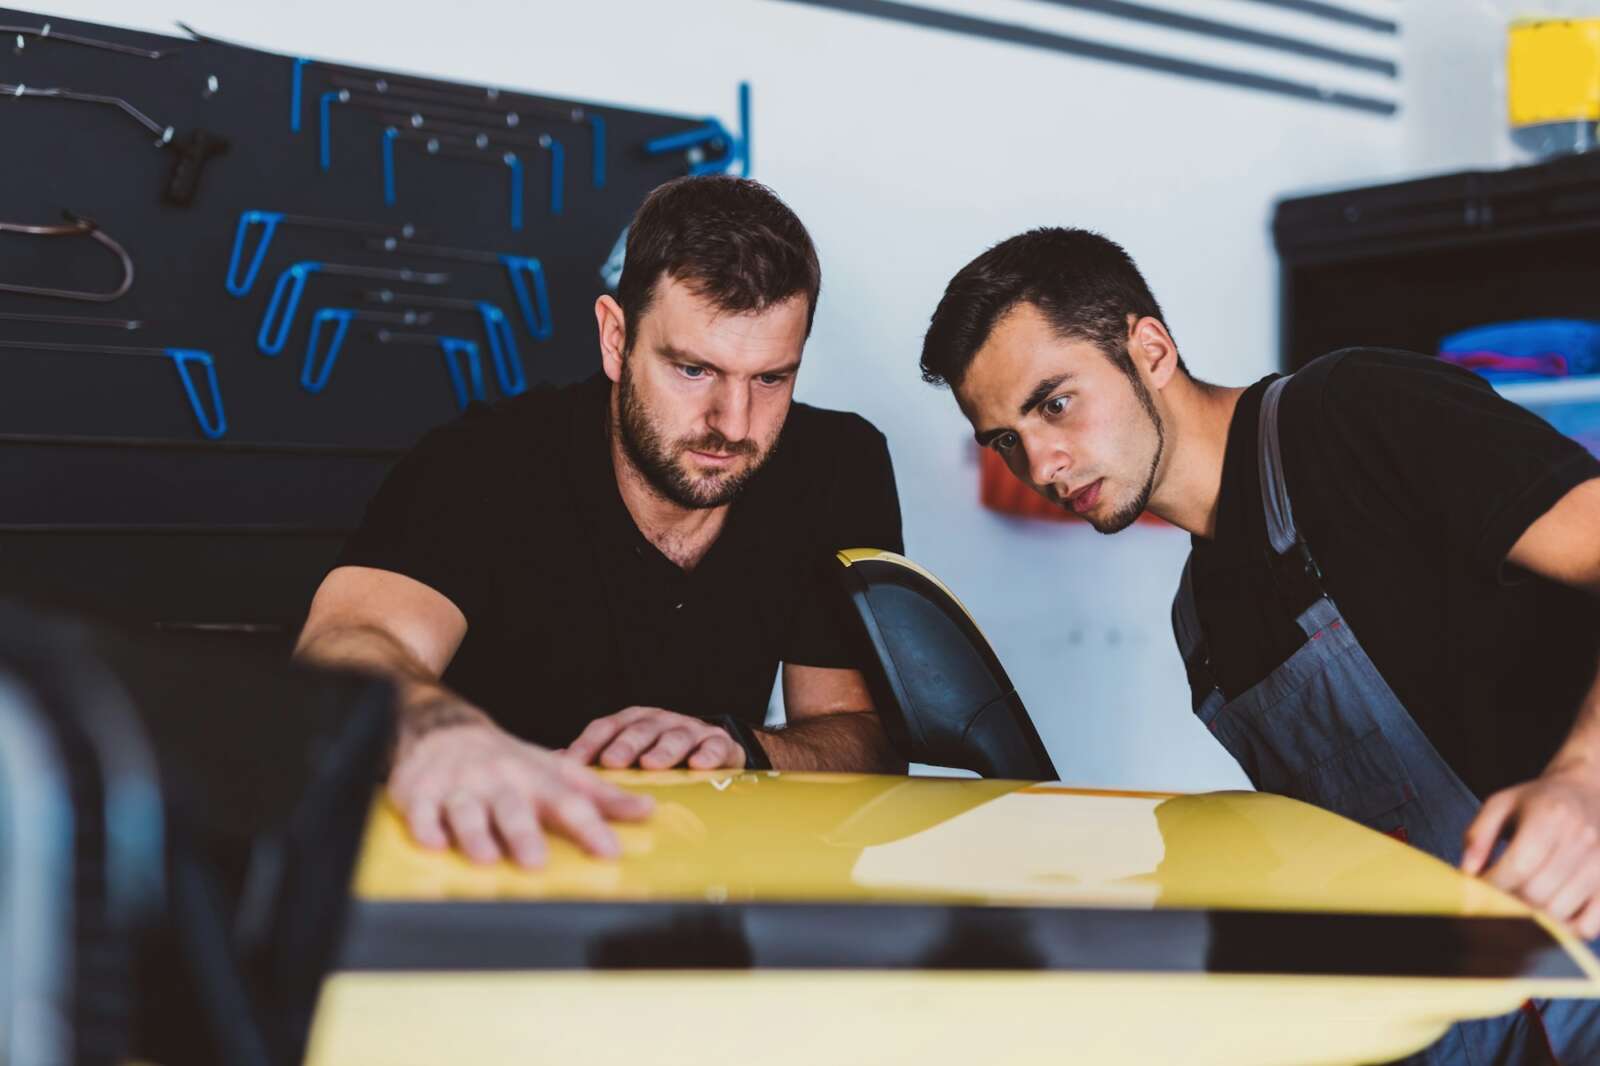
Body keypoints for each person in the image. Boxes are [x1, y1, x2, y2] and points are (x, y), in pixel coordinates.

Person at [919, 226, 1600, 1062]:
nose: (1043, 463)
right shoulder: (1199, 620)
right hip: (1457, 1026)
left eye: (1055, 403)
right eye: (1006, 441)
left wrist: (1584, 782)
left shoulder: (1351, 412)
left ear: (1152, 348)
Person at [296, 176, 904, 870]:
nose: (733, 425)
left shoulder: (835, 464)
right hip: (488, 870)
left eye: (771, 378)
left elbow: (862, 743)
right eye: (694, 370)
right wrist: (442, 732)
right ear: (616, 339)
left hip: (696, 890)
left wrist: (742, 746)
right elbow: (340, 645)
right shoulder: (484, 460)